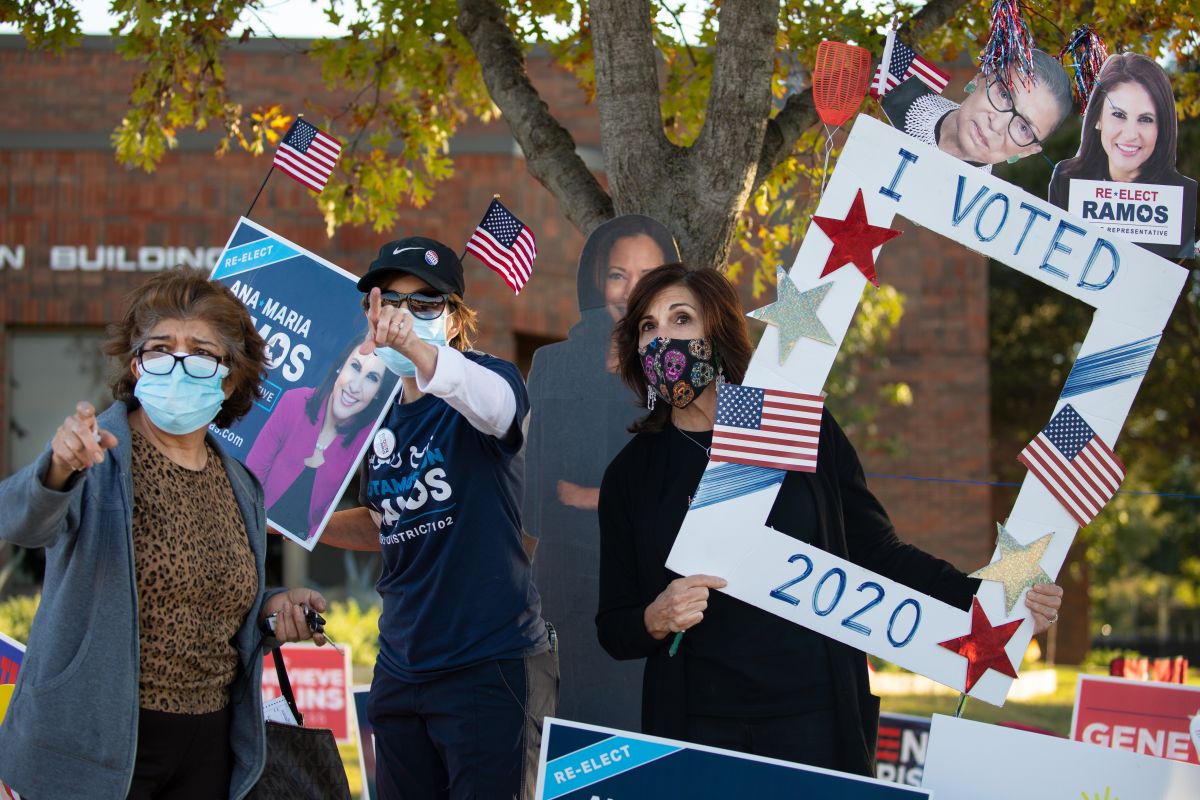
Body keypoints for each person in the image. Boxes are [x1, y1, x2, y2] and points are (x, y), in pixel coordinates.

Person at [596, 263, 1064, 775]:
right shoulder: (631, 474)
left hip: (815, 719)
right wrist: (655, 617)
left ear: (717, 332)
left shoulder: (795, 427)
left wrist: (993, 601)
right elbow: (614, 627)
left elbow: (877, 552)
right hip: (698, 726)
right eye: (648, 326)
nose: (663, 338)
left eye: (680, 319)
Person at [0, 268, 327, 800]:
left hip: (208, 750)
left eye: (199, 351)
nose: (178, 364)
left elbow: (218, 598)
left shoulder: (241, 483)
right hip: (95, 746)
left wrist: (274, 610)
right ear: (136, 366)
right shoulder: (97, 454)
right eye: (160, 349)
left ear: (229, 377)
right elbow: (20, 521)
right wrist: (57, 467)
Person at [319, 236, 556, 800]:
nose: (404, 318)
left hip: (489, 664)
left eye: (425, 305)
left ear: (454, 320)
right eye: (391, 303)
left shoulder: (488, 382)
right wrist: (306, 524)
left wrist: (424, 356)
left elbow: (498, 406)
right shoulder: (376, 421)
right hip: (401, 668)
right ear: (371, 317)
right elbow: (387, 523)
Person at [524, 215, 678, 730]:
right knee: (573, 741)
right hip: (566, 592)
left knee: (647, 738)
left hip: (657, 592)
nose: (632, 291)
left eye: (648, 274)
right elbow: (539, 497)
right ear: (595, 279)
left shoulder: (688, 371)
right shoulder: (553, 364)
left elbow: (684, 488)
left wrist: (593, 496)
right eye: (618, 274)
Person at [1048, 52, 1197, 260]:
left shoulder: (1183, 195)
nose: (1130, 134)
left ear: (1162, 128)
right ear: (1097, 119)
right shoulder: (1066, 179)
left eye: (1145, 119)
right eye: (1118, 115)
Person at [246, 332, 395, 539]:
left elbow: (323, 521)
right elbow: (253, 474)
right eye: (355, 367)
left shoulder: (368, 437)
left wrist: (309, 536)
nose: (355, 386)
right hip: (249, 522)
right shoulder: (295, 402)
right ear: (339, 367)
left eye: (372, 378)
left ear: (378, 392)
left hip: (301, 541)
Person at [882, 50, 1073, 169]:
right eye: (1005, 95)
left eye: (1023, 128)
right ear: (981, 78)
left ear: (1028, 151)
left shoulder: (978, 229)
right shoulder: (890, 90)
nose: (996, 124)